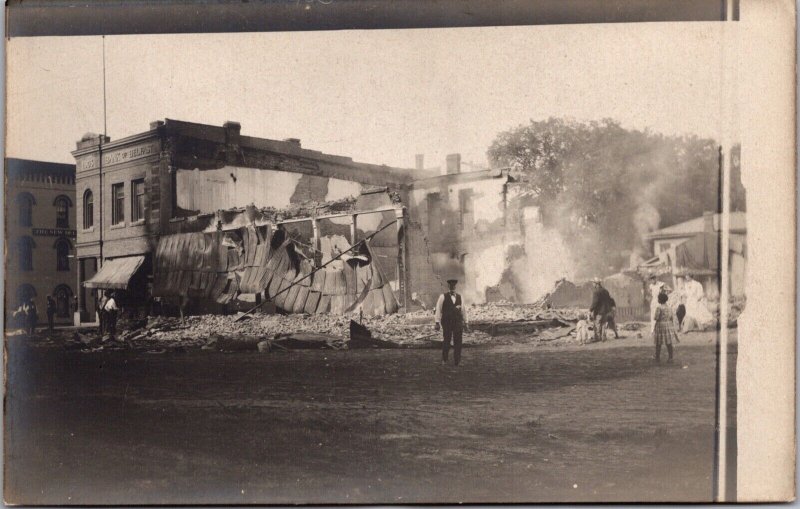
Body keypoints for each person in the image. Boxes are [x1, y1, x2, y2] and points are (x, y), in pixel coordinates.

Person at [434, 279, 469, 366]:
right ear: (448, 287)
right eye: (451, 286)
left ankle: (457, 361)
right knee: (447, 340)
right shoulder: (443, 297)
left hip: (457, 322)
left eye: (453, 286)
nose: (452, 287)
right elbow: (438, 309)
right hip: (447, 322)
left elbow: (464, 311)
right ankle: (444, 360)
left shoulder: (460, 297)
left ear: (455, 287)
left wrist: (466, 322)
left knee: (458, 341)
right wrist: (437, 322)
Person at [651, 292, 680, 363]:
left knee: (658, 342)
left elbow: (656, 317)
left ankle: (657, 357)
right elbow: (672, 317)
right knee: (669, 342)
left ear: (660, 300)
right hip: (668, 325)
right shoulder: (669, 307)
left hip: (660, 326)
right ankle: (670, 358)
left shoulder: (659, 307)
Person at [589, 278, 614, 342]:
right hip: (605, 311)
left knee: (597, 324)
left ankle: (597, 338)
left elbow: (595, 302)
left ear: (596, 284)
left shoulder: (596, 292)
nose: (592, 284)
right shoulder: (606, 291)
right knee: (603, 324)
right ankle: (603, 337)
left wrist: (590, 309)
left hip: (598, 311)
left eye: (593, 283)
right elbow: (609, 300)